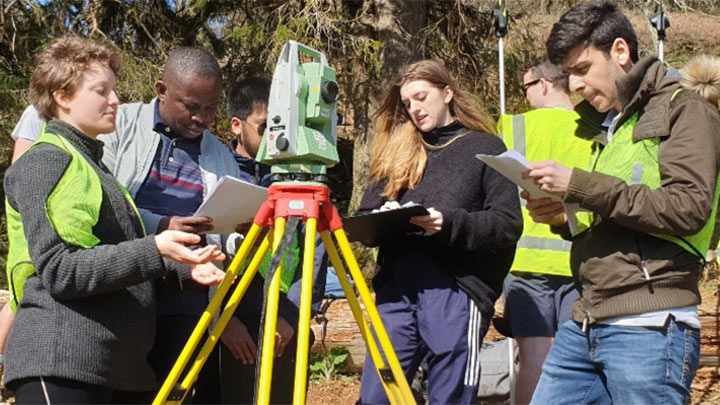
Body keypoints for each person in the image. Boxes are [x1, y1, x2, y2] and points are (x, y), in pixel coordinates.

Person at [7, 47, 243, 402]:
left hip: (105, 361)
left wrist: (183, 268)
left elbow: (115, 256)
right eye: (102, 91)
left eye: (114, 90)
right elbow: (59, 270)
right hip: (61, 358)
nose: (116, 100)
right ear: (63, 96)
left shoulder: (96, 170)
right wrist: (157, 246)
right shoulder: (47, 161)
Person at [523, 2, 720, 404]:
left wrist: (578, 185)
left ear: (619, 51)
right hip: (586, 321)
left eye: (581, 69)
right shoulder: (613, 126)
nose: (574, 85)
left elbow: (688, 207)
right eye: (568, 75)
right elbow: (619, 211)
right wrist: (565, 215)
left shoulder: (687, 108)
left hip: (649, 326)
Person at [357, 60, 522, 404]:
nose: (415, 109)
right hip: (397, 289)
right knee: (377, 395)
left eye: (421, 97)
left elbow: (507, 224)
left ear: (447, 93)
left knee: (449, 395)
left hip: (456, 289)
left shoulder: (487, 148)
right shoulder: (398, 151)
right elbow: (366, 214)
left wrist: (448, 224)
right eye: (407, 104)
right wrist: (383, 220)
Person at [219, 77, 327, 403]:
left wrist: (292, 317)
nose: (275, 137)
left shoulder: (297, 177)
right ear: (237, 126)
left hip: (285, 326)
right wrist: (222, 320)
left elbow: (315, 250)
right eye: (265, 126)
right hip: (233, 327)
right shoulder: (216, 172)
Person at [496, 59, 591, 404]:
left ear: (544, 84)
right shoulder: (593, 127)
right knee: (572, 360)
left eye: (526, 88)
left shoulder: (513, 126)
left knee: (533, 355)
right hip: (577, 256)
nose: (526, 97)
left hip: (525, 260)